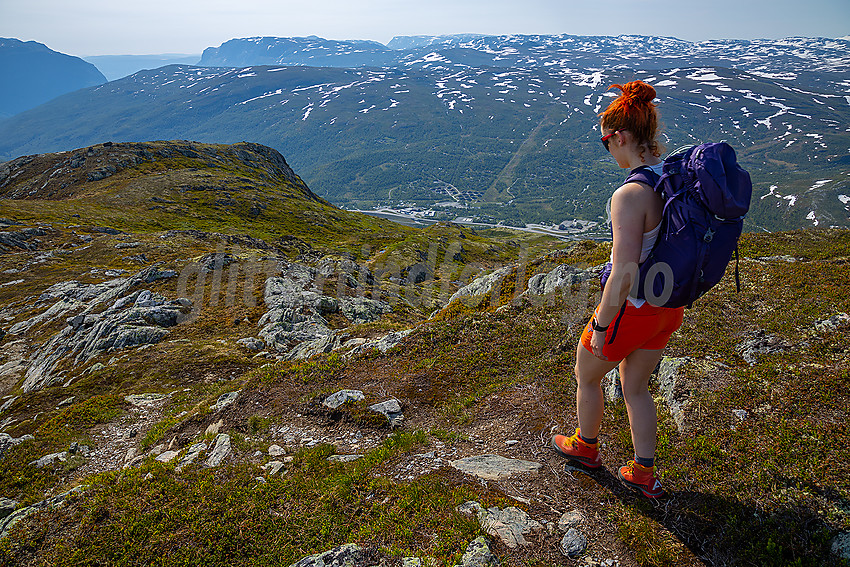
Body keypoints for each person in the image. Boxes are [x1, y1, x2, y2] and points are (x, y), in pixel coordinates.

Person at [551, 80, 685, 498]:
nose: (607, 149)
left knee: (586, 372)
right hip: (668, 304)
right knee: (636, 385)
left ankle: (586, 447)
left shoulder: (630, 194)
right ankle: (645, 472)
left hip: (636, 304)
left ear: (621, 137)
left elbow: (624, 269)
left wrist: (603, 326)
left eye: (605, 141)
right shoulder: (672, 177)